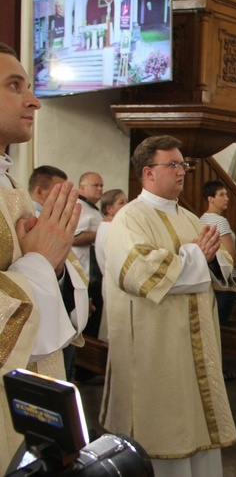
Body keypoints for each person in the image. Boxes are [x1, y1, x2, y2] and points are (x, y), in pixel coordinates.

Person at [100, 135, 236, 477]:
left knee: (196, 426)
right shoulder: (129, 219)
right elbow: (139, 272)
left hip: (194, 353)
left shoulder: (191, 218)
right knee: (161, 432)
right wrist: (195, 257)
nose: (182, 172)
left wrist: (206, 260)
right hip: (156, 354)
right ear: (148, 172)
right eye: (173, 165)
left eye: (183, 164)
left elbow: (221, 263)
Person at [0, 41, 88, 470]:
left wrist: (49, 259)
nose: (33, 100)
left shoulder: (9, 187)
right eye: (14, 86)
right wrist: (37, 264)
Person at [200, 180, 236, 382]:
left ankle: (211, 368)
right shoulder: (220, 221)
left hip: (211, 277)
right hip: (226, 279)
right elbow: (230, 252)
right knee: (221, 326)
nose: (227, 198)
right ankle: (219, 370)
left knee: (214, 324)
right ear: (210, 199)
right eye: (222, 195)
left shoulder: (200, 219)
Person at [72, 172, 104, 339]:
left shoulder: (91, 209)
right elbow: (73, 238)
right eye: (95, 185)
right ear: (82, 187)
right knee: (85, 327)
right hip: (85, 274)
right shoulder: (79, 207)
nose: (100, 189)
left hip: (95, 273)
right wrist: (102, 232)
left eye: (101, 185)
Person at [93, 189, 127, 341]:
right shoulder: (110, 229)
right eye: (121, 203)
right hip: (114, 284)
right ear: (109, 209)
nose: (127, 205)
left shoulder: (109, 226)